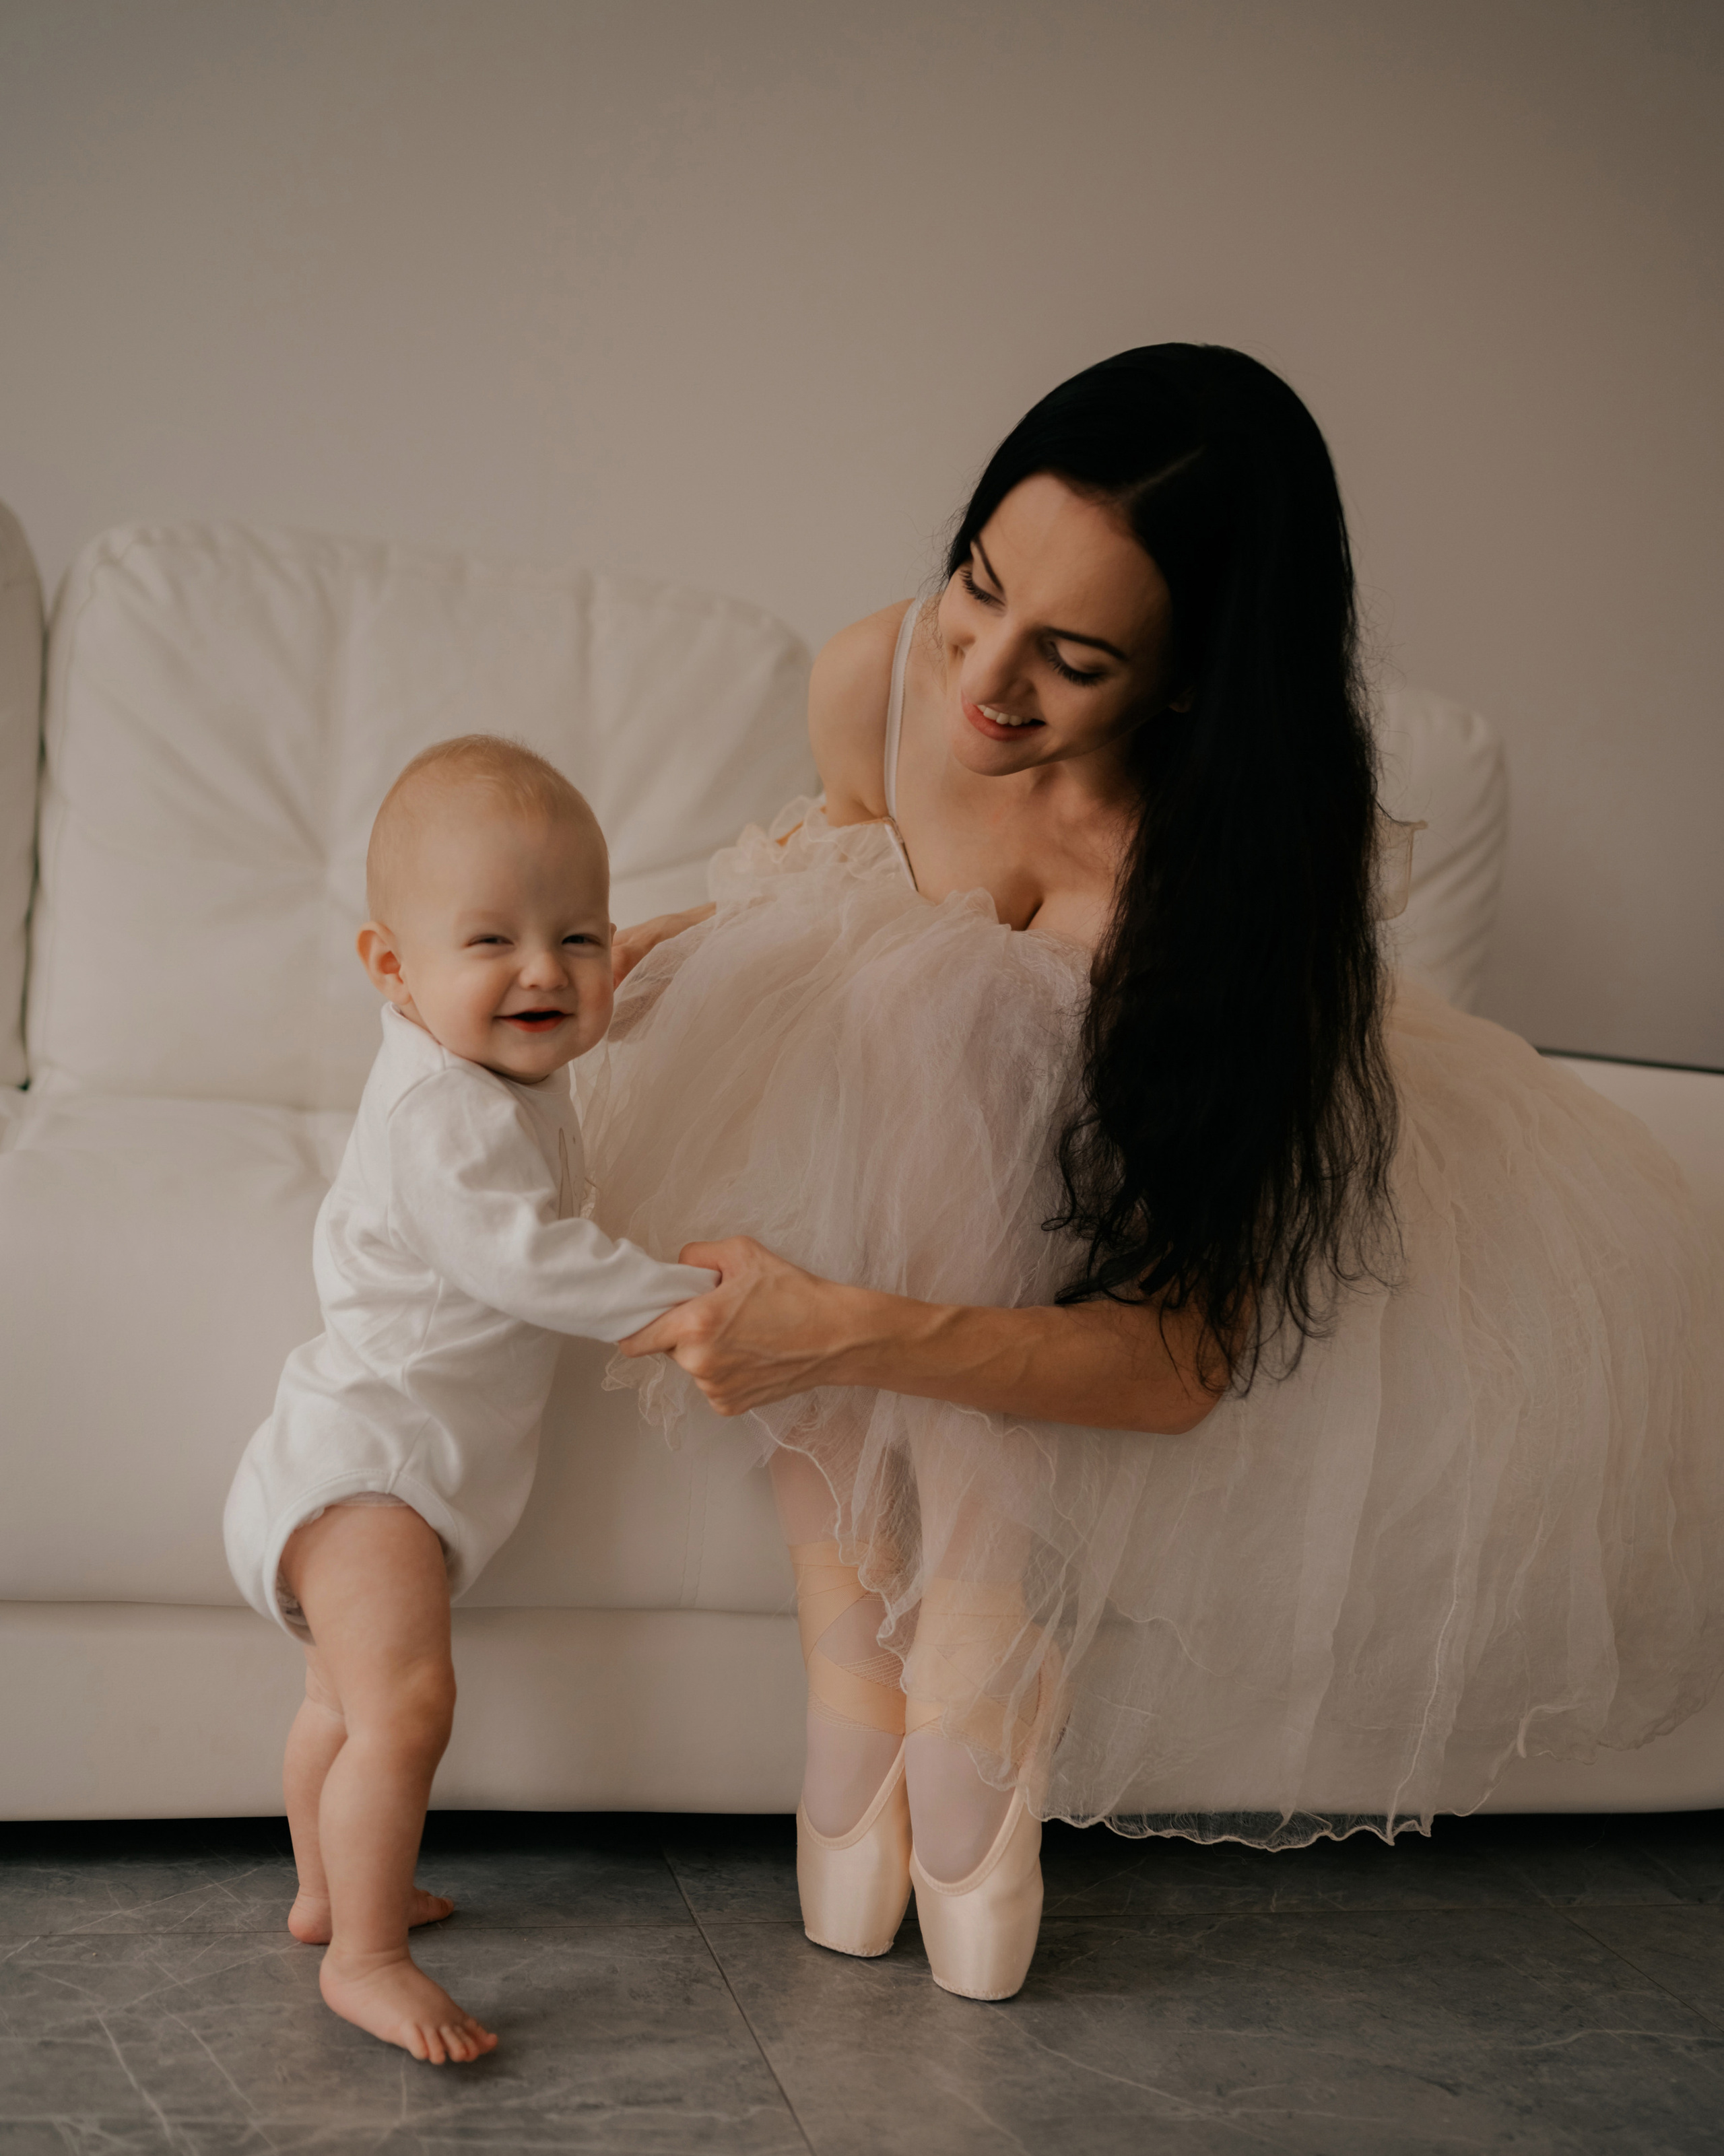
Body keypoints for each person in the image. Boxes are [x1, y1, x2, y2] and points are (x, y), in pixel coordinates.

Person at [589, 344, 1724, 2004]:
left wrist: (839, 1327)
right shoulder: (878, 675)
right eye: (974, 589)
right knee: (886, 1014)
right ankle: (850, 1649)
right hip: (887, 1118)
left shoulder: (1226, 888)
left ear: (1188, 680)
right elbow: (827, 890)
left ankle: (975, 1642)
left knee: (946, 1034)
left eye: (1071, 658)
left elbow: (1181, 1355)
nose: (978, 679)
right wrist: (633, 953)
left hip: (1106, 1196)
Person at [225, 738, 717, 2062]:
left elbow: (598, 972)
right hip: (367, 1468)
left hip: (359, 1455)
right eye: (491, 940)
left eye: (579, 937)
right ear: (391, 967)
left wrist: (678, 944)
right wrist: (679, 1302)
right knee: (406, 1707)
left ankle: (329, 1891)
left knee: (339, 1703)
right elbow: (526, 1255)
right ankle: (365, 1958)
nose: (544, 971)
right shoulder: (445, 1114)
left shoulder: (496, 1059)